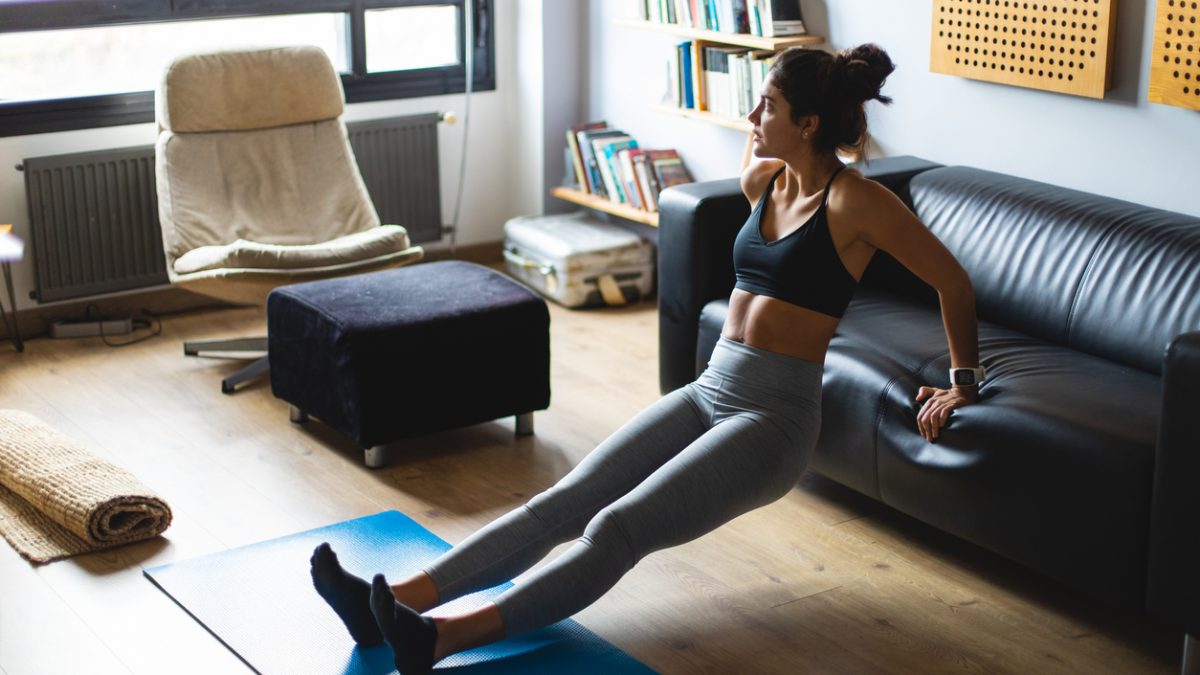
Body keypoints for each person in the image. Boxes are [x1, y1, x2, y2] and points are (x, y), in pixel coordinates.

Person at [310, 43, 981, 674]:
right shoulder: (764, 181)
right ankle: (396, 601)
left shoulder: (854, 201)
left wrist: (961, 382)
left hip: (773, 419)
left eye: (768, 106)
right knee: (570, 496)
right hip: (711, 387)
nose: (753, 117)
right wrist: (763, 140)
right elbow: (761, 182)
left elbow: (951, 279)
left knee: (618, 526)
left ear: (808, 123)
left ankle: (442, 637)